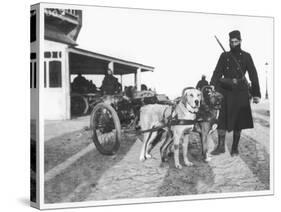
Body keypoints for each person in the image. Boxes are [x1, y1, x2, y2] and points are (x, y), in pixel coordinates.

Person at [210, 30, 261, 156]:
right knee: (221, 120)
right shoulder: (224, 56)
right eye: (231, 42)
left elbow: (253, 74)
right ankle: (221, 146)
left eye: (236, 42)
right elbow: (217, 72)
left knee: (239, 121)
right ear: (229, 42)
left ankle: (234, 148)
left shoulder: (246, 56)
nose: (233, 44)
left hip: (240, 91)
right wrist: (212, 86)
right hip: (225, 91)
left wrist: (256, 93)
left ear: (240, 41)